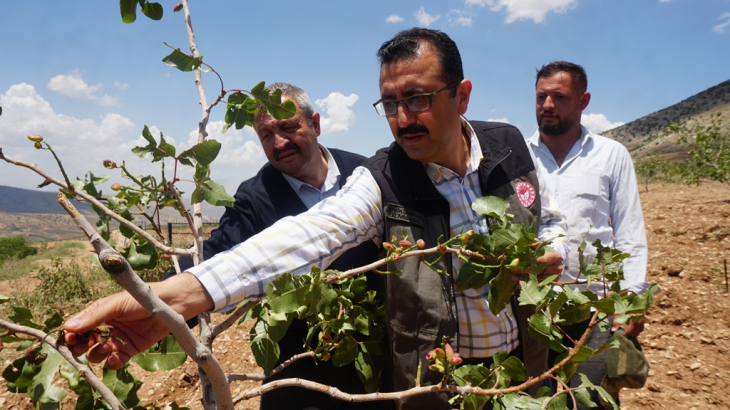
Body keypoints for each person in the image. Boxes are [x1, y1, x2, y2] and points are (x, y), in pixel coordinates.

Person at [64, 28, 568, 410]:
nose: (402, 118)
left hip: (526, 374)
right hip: (437, 385)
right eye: (390, 103)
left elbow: (550, 217)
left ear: (461, 95)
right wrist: (163, 301)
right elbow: (303, 239)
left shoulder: (507, 145)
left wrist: (553, 250)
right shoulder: (381, 178)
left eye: (417, 98)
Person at [165, 82, 384, 410]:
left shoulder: (364, 173)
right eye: (267, 135)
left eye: (287, 127)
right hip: (299, 371)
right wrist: (155, 300)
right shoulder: (255, 196)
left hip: (375, 362)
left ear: (316, 125)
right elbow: (216, 252)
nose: (279, 142)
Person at [527, 61, 650, 408]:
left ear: (583, 101)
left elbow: (629, 231)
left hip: (595, 309)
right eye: (540, 97)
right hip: (534, 310)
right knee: (536, 398)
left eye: (559, 97)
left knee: (591, 401)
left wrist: (628, 301)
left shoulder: (611, 156)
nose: (547, 105)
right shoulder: (519, 157)